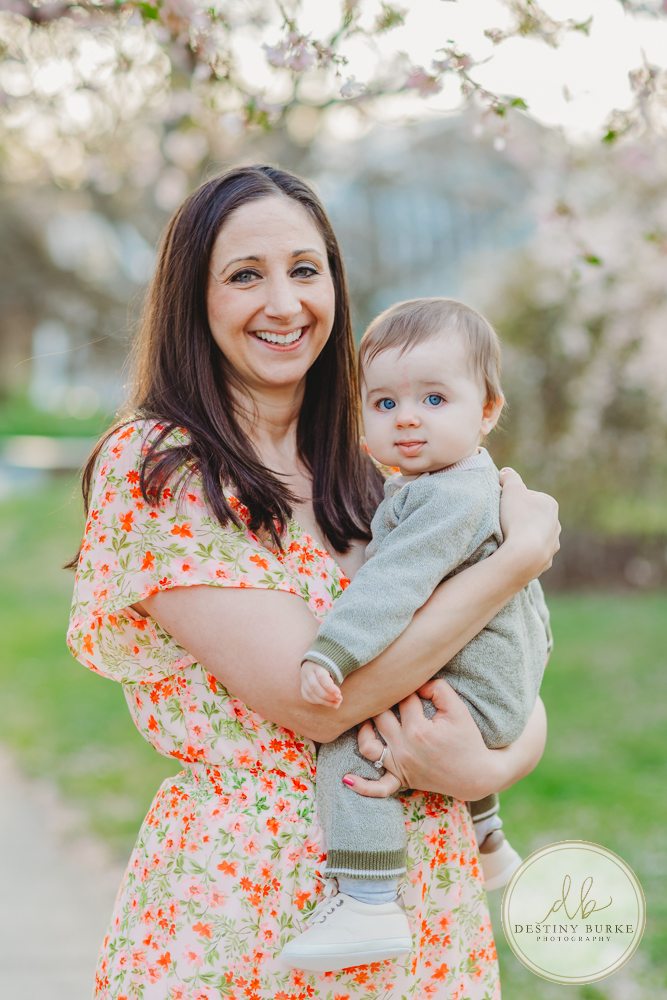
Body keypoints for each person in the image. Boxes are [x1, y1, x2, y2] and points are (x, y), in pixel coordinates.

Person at [66, 164, 560, 1000]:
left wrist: (486, 768)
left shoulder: (383, 466)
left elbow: (509, 663)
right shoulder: (161, 470)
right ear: (195, 298)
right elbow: (308, 699)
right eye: (244, 275)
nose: (284, 303)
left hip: (421, 905)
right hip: (249, 909)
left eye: (305, 269)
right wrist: (515, 561)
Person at [286, 297, 552, 972]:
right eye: (383, 403)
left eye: (434, 399)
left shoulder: (445, 497)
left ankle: (369, 904)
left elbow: (392, 585)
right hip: (503, 680)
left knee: (353, 743)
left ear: (487, 410)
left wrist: (333, 651)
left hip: (480, 692)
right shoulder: (458, 483)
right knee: (425, 680)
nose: (406, 417)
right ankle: (488, 838)